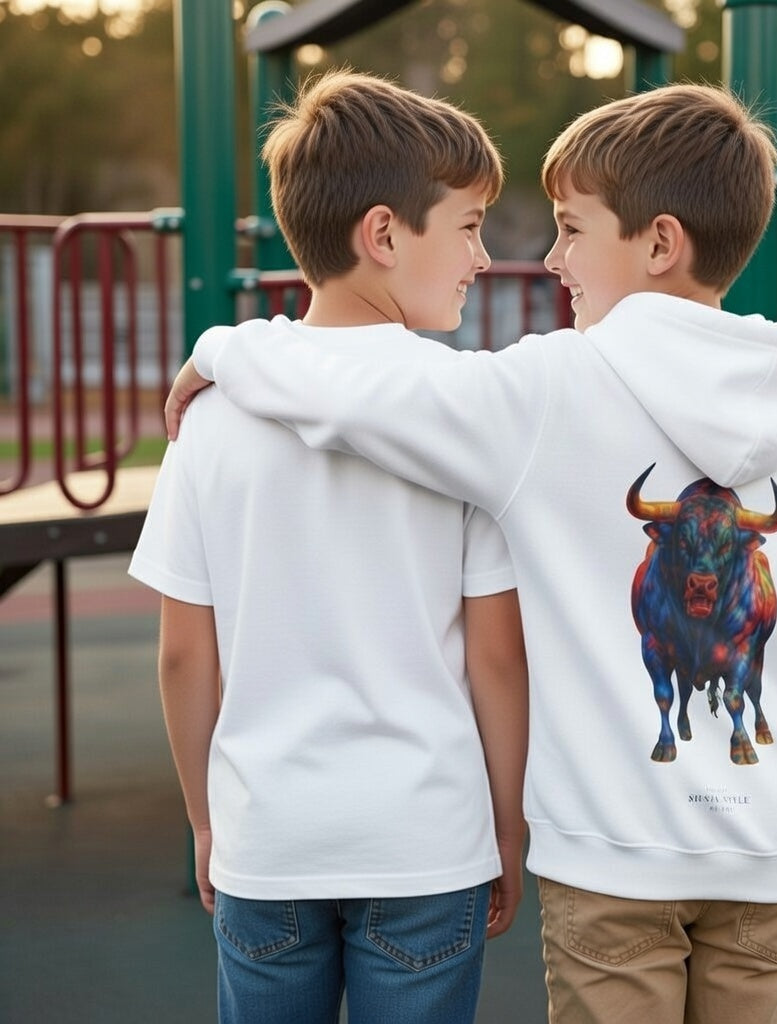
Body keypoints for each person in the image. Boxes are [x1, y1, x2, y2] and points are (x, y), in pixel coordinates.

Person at [167, 82, 777, 1024]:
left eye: (572, 229)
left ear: (658, 242)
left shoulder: (551, 392)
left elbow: (358, 396)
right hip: (770, 856)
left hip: (605, 857)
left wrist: (223, 348)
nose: (549, 258)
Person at [129, 69, 529, 1024]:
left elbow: (186, 652)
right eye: (469, 225)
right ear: (386, 235)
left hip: (269, 843)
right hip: (427, 842)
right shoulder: (469, 417)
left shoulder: (211, 422)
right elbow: (498, 658)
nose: (482, 256)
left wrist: (203, 821)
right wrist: (507, 830)